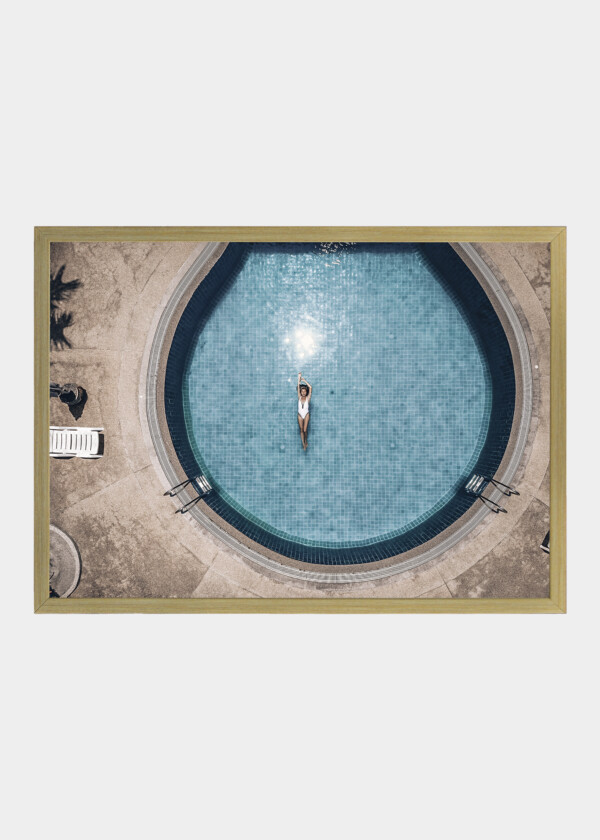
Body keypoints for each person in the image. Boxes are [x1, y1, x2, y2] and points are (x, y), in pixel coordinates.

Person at [297, 372, 312, 451]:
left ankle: (306, 440)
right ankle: (304, 443)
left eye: (304, 391)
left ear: (306, 392)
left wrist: (304, 380)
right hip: (300, 415)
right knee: (301, 429)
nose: (303, 392)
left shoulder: (308, 399)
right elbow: (298, 386)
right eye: (302, 391)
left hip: (306, 414)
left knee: (305, 430)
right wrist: (299, 378)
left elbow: (310, 387)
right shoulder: (299, 397)